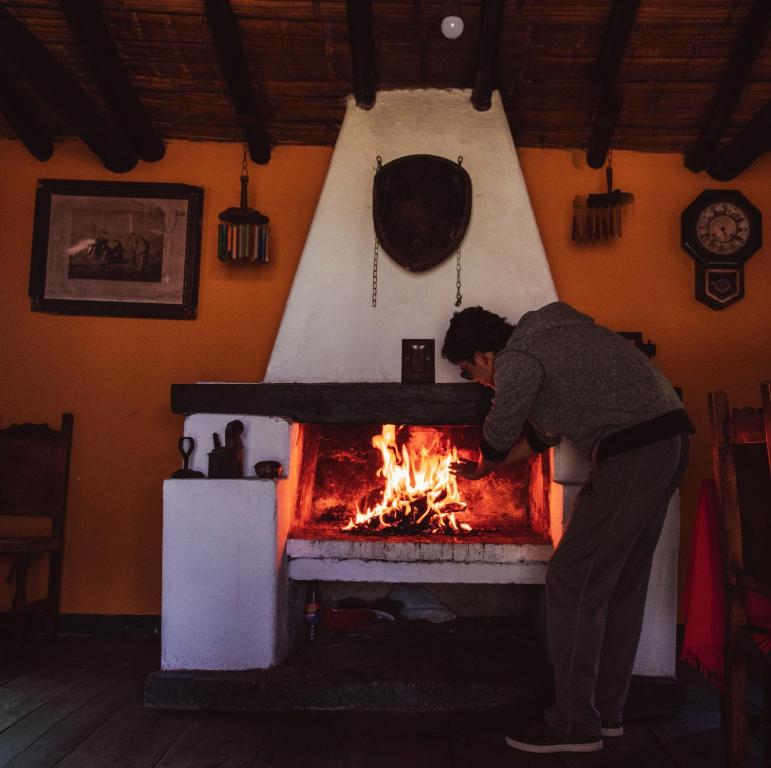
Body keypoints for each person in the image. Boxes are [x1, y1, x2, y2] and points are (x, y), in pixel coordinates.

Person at [442, 301, 692, 755]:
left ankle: (575, 723)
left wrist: (488, 452)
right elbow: (541, 436)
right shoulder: (555, 345)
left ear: (483, 355)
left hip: (635, 452)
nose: (475, 381)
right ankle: (605, 713)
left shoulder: (518, 358)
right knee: (620, 584)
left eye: (467, 371)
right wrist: (483, 471)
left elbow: (502, 429)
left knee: (571, 578)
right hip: (667, 442)